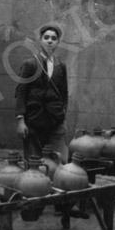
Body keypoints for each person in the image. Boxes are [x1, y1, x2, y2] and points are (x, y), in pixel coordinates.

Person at [14, 23, 69, 164]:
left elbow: (64, 93)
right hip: (33, 121)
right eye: (46, 37)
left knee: (60, 161)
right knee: (33, 163)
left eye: (53, 38)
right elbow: (21, 92)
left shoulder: (60, 66)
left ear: (58, 42)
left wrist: (62, 114)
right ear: (40, 40)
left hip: (54, 121)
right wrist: (21, 120)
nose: (50, 41)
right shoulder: (30, 64)